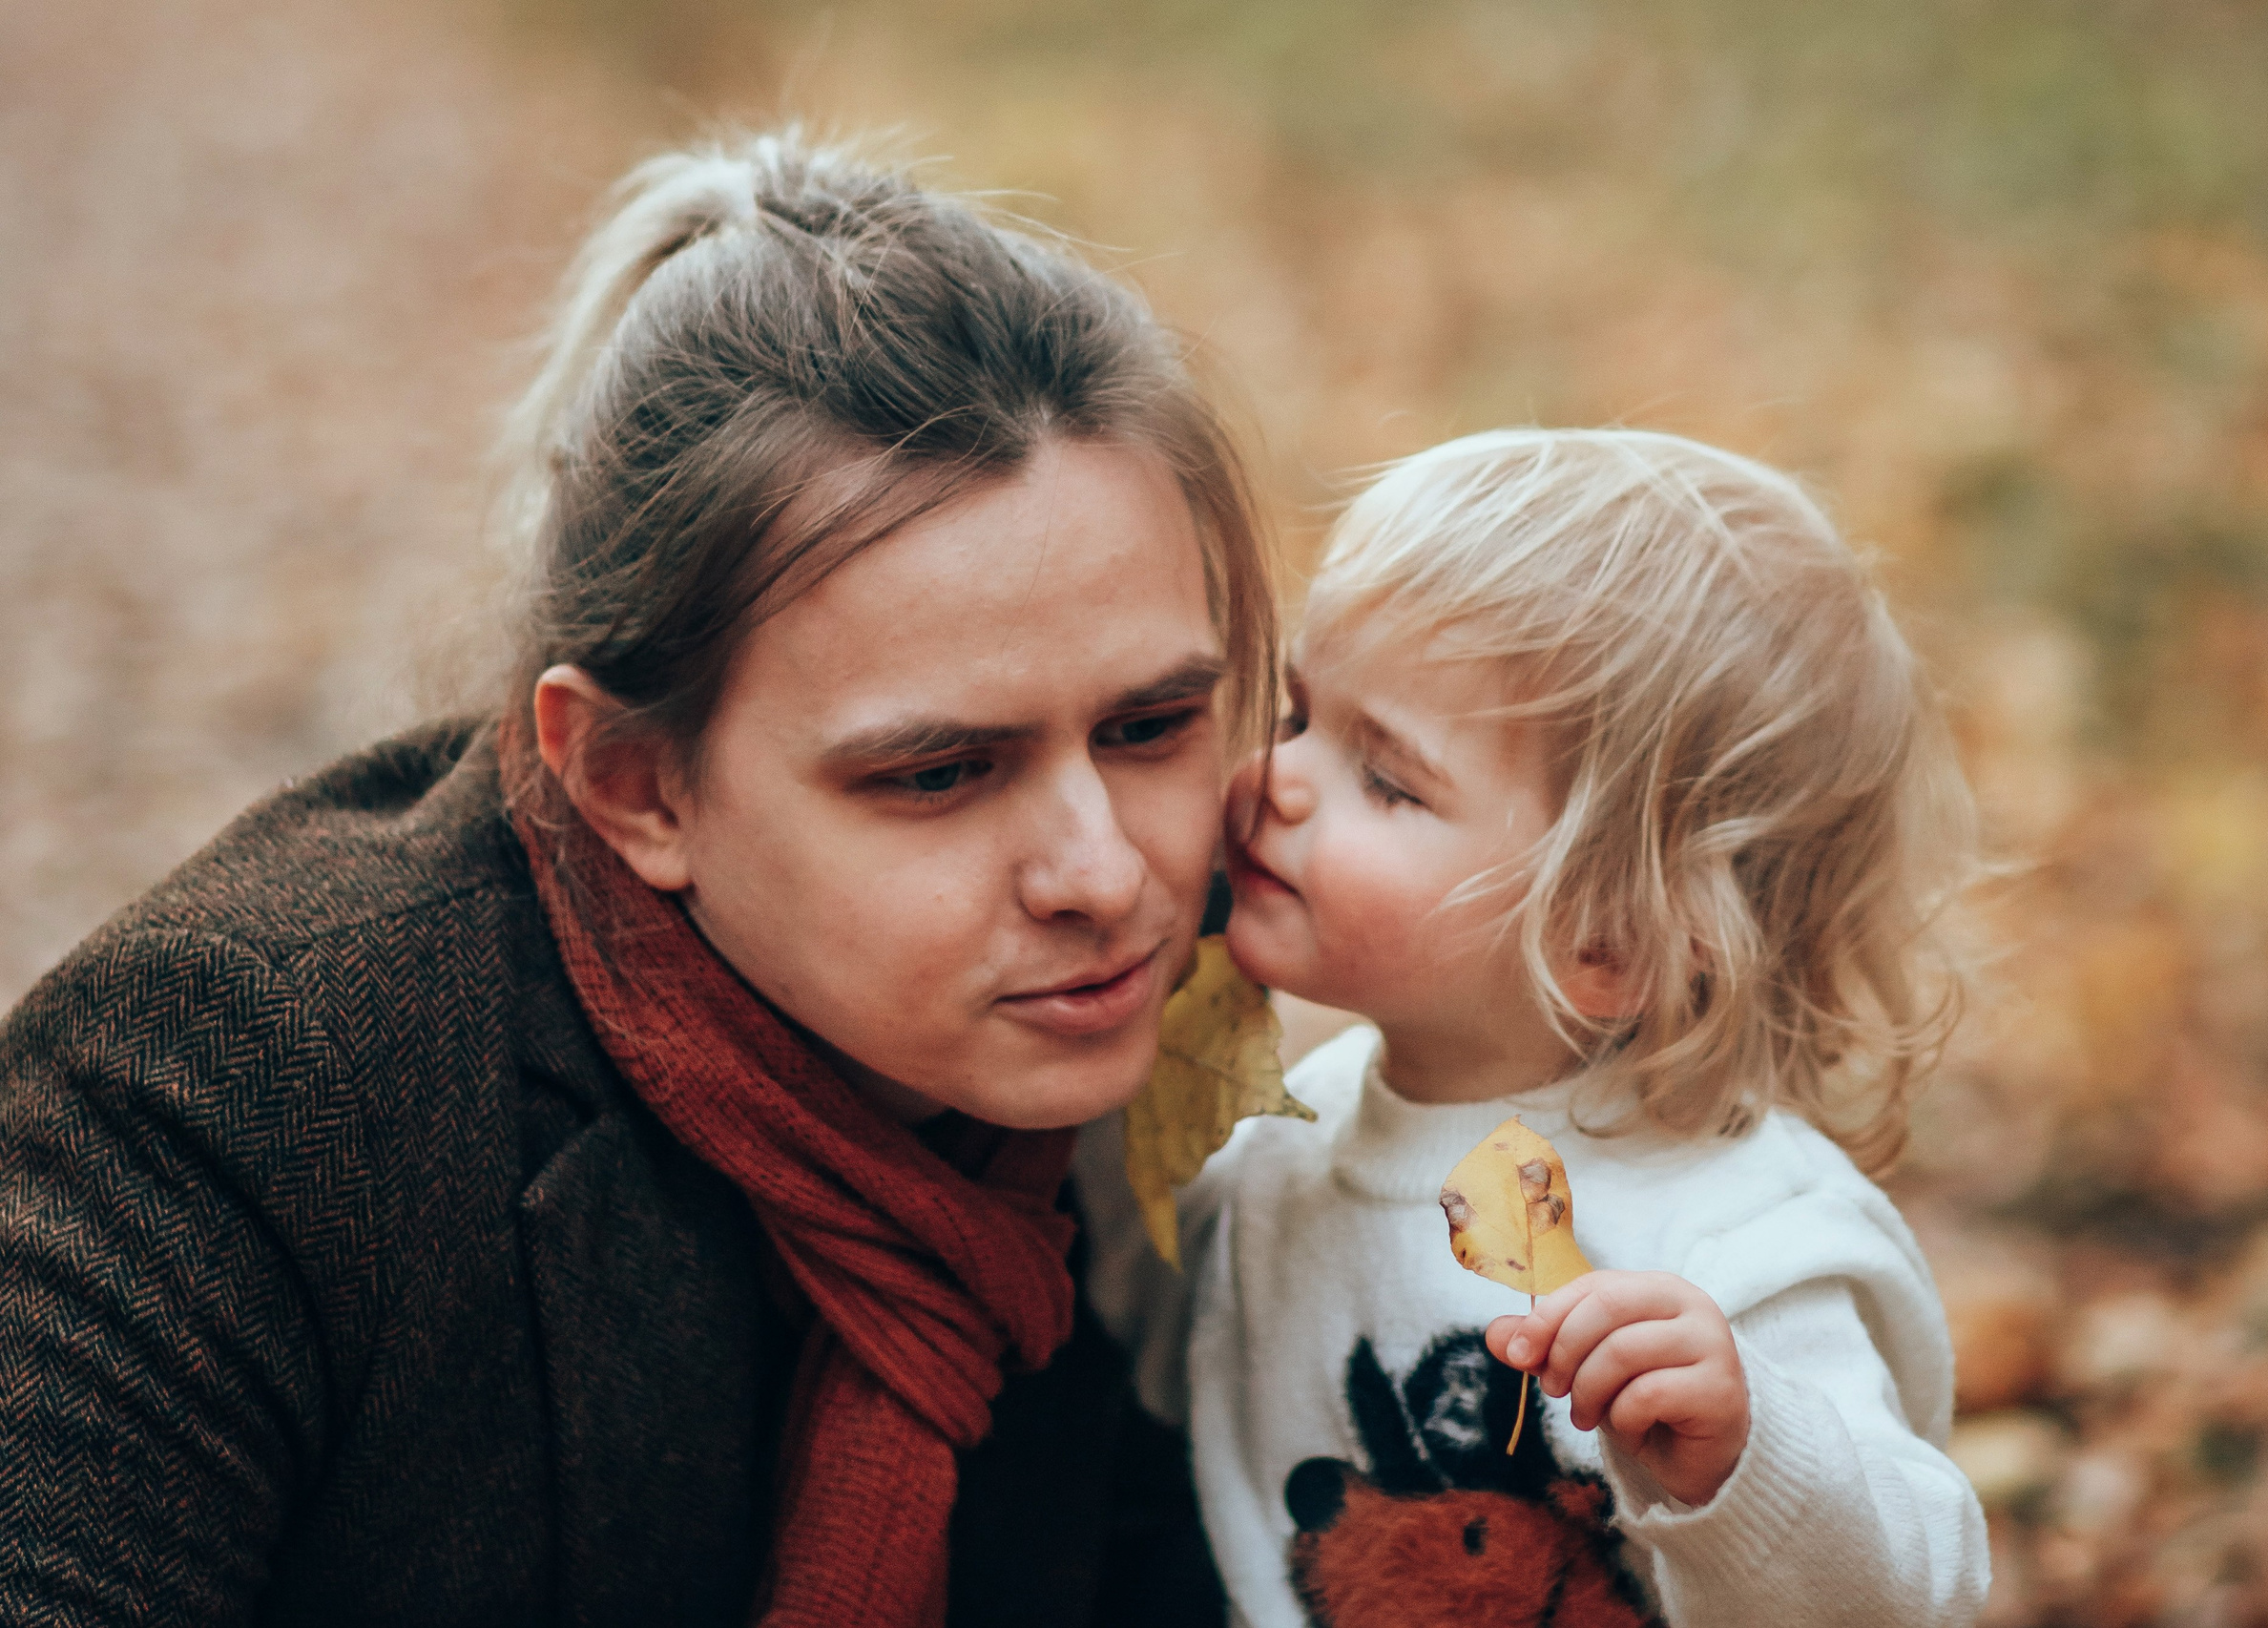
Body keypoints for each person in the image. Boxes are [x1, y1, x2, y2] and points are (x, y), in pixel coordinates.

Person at [0, 131, 1274, 1628]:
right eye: (938, 772)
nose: (1107, 873)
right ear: (631, 783)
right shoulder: (227, 1090)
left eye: (1150, 726)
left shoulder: (1174, 1049)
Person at [1116, 428, 1989, 1625]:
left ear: (1608, 942)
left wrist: (1747, 1459)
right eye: (1299, 711)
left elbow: (1915, 1591)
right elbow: (1126, 1367)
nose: (1277, 775)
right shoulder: (1277, 1155)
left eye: (1389, 778)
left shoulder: (1728, 1237)